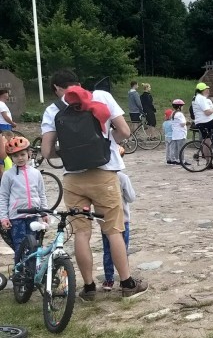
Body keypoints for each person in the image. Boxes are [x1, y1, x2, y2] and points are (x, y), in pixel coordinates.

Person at [40, 69, 148, 299]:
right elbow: (125, 131)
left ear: (56, 89)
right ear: (79, 83)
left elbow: (47, 151)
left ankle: (89, 288)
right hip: (104, 174)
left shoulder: (53, 110)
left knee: (81, 233)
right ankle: (127, 284)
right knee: (113, 231)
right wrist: (106, 143)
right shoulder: (101, 96)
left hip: (73, 180)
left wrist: (69, 152)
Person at [0, 136, 47, 264]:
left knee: (34, 247)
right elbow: (3, 197)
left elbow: (41, 193)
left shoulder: (36, 173)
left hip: (33, 215)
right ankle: (19, 274)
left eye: (22, 154)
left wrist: (44, 212)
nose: (20, 158)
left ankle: (31, 274)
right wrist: (4, 217)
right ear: (11, 158)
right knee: (20, 247)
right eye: (15, 156)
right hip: (16, 217)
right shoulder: (8, 175)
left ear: (29, 154)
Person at [101, 172, 136, 291]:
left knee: (107, 250)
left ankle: (108, 279)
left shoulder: (99, 176)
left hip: (105, 220)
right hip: (122, 219)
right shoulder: (122, 177)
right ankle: (124, 278)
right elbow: (131, 197)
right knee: (122, 250)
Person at [170, 99, 189, 166]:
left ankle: (177, 159)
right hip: (181, 133)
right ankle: (182, 160)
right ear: (179, 106)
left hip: (175, 134)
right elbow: (182, 124)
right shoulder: (180, 114)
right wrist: (186, 121)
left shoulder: (173, 113)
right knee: (181, 148)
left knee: (176, 148)